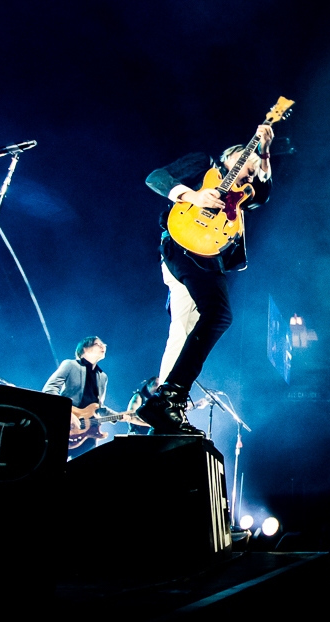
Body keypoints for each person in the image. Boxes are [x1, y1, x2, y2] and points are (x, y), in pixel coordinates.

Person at [137, 125, 274, 435]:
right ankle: (171, 396)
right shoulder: (205, 164)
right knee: (219, 313)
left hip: (208, 255)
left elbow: (263, 193)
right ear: (231, 157)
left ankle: (162, 403)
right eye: (246, 162)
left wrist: (265, 152)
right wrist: (194, 196)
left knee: (184, 329)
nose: (250, 171)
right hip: (182, 243)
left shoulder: (246, 191)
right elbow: (156, 178)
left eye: (253, 169)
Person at [42, 336, 125, 457]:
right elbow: (49, 389)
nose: (103, 346)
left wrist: (125, 416)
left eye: (104, 344)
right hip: (65, 426)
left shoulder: (102, 377)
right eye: (98, 344)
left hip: (88, 434)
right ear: (85, 348)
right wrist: (67, 412)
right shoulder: (70, 365)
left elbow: (99, 407)